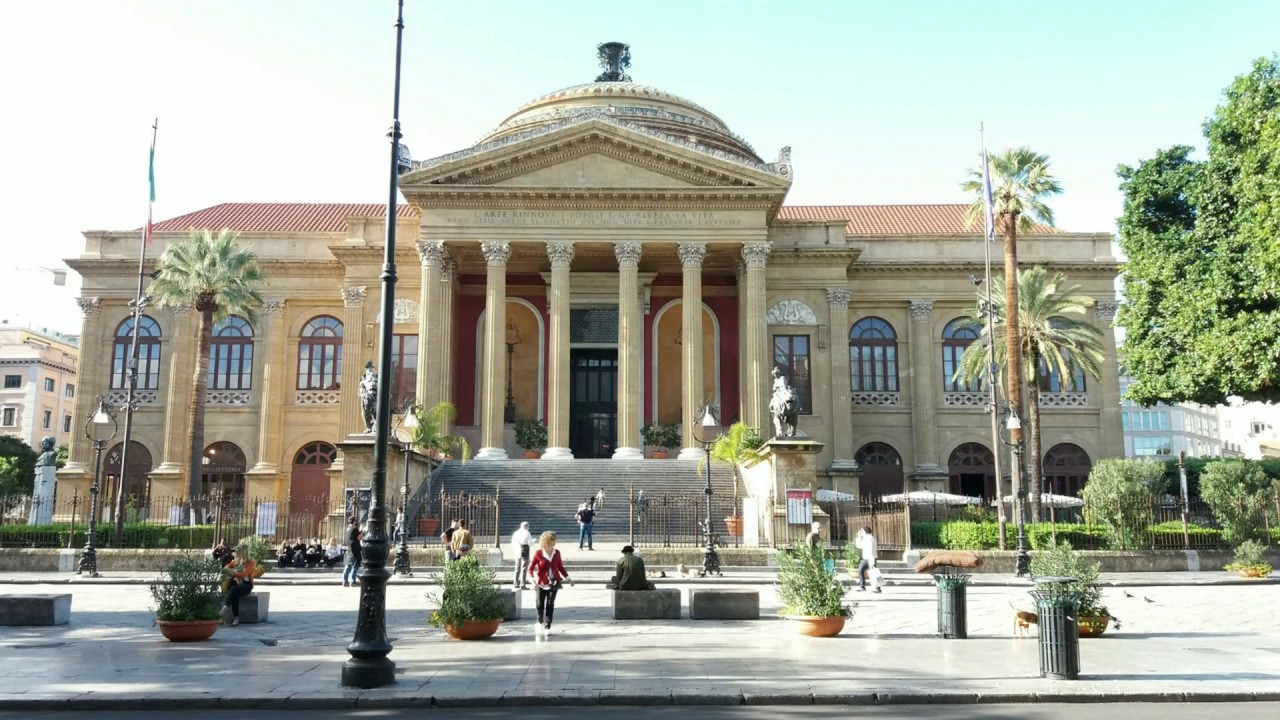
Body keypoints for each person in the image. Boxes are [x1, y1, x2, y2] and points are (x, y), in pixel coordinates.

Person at [527, 530, 574, 635]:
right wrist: (532, 581)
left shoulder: (557, 553)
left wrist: (568, 578)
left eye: (554, 540)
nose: (554, 542)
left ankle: (548, 627)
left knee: (550, 604)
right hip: (540, 583)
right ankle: (539, 622)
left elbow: (560, 567)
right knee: (539, 604)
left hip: (554, 583)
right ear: (546, 541)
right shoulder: (538, 553)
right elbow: (530, 569)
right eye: (552, 540)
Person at [221, 543, 256, 626]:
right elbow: (225, 568)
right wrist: (231, 570)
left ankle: (224, 610)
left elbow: (244, 574)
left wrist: (233, 573)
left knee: (234, 589)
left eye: (237, 552)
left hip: (246, 585)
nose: (235, 554)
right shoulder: (236, 561)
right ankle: (236, 619)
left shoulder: (250, 562)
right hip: (237, 584)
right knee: (234, 594)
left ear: (242, 553)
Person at [856, 526, 880, 593]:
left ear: (865, 532)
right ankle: (863, 586)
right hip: (868, 558)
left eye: (862, 531)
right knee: (862, 570)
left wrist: (858, 537)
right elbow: (861, 546)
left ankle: (875, 588)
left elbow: (861, 546)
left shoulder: (869, 538)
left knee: (873, 573)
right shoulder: (869, 538)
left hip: (870, 558)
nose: (861, 533)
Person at [511, 521, 534, 589]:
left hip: (517, 549)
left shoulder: (516, 533)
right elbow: (530, 543)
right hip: (525, 549)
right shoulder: (527, 533)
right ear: (527, 526)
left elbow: (513, 542)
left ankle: (515, 583)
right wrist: (533, 541)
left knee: (517, 566)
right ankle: (522, 584)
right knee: (524, 567)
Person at [342, 516, 362, 587]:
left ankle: (345, 581)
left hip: (349, 548)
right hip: (355, 548)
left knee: (348, 565)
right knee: (355, 565)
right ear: (354, 521)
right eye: (356, 521)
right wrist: (362, 532)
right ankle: (352, 581)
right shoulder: (354, 529)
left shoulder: (347, 529)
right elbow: (359, 537)